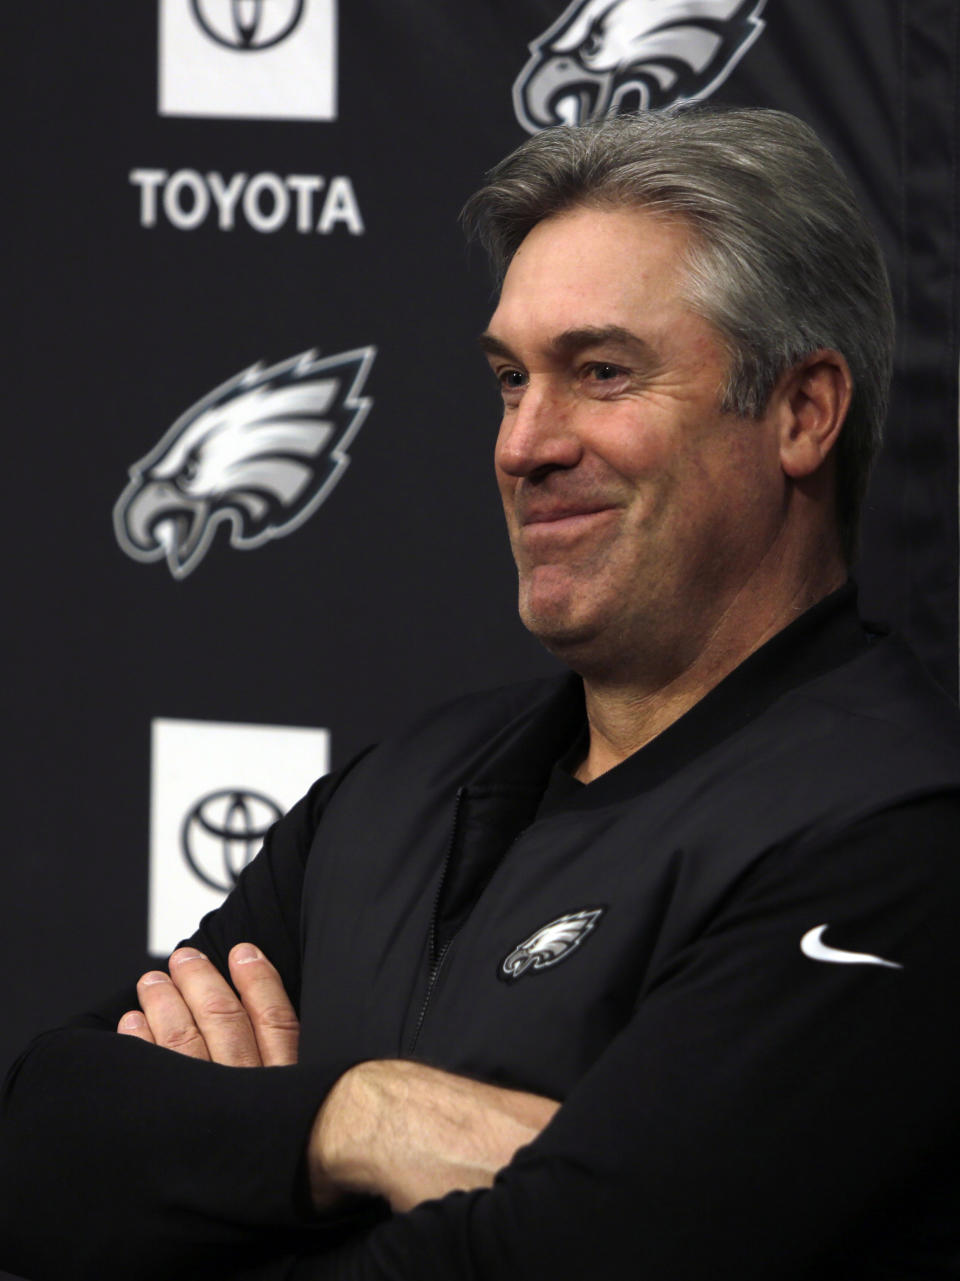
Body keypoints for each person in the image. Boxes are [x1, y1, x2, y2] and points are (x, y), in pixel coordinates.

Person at [3, 107, 960, 1280]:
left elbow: (572, 1262)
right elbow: (41, 1141)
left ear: (803, 412)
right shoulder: (400, 792)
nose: (524, 444)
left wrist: (214, 1200)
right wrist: (362, 1117)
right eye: (511, 381)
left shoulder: (893, 837)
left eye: (601, 372)